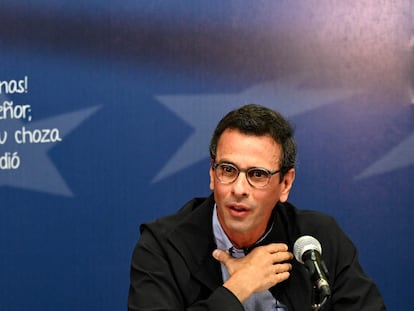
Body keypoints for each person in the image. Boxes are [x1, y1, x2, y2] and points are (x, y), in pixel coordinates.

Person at [128, 104, 386, 310]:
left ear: (285, 183)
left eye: (257, 174)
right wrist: (239, 287)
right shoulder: (163, 247)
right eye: (227, 170)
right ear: (211, 174)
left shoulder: (317, 241)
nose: (239, 189)